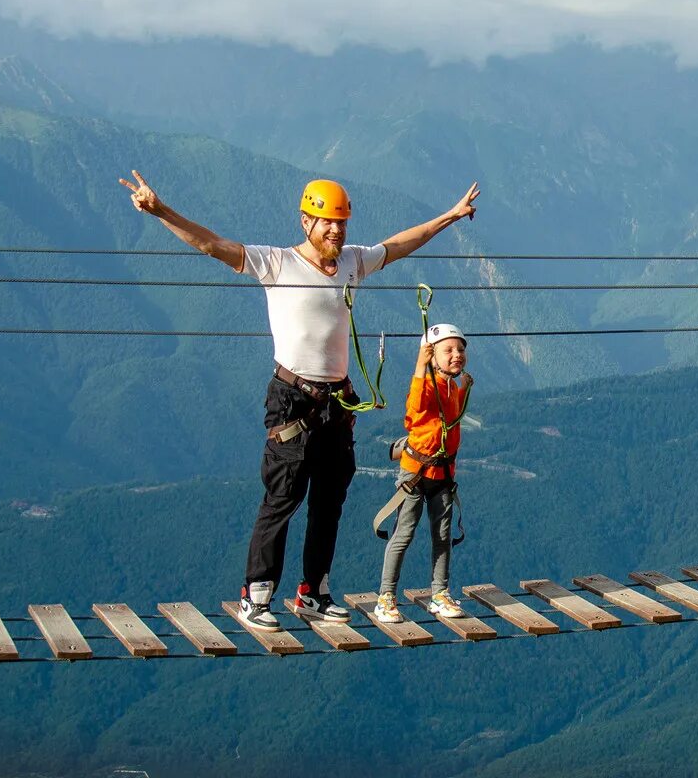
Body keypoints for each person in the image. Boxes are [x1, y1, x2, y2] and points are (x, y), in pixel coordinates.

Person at [119, 170, 479, 631]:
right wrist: (159, 210)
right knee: (283, 497)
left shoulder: (352, 261)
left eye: (342, 223)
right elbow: (212, 245)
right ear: (305, 222)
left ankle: (313, 591)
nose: (336, 231)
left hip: (337, 403)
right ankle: (257, 594)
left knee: (328, 502)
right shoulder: (277, 263)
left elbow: (400, 244)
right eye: (327, 222)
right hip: (293, 399)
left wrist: (449, 216)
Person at [374, 322, 472, 623]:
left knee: (441, 537)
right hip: (416, 474)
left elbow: (452, 416)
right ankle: (386, 597)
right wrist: (419, 366)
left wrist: (465, 386)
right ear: (432, 356)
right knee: (404, 533)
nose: (457, 355)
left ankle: (440, 593)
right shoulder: (426, 384)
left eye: (460, 350)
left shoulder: (451, 386)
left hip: (441, 475)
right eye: (449, 351)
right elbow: (414, 406)